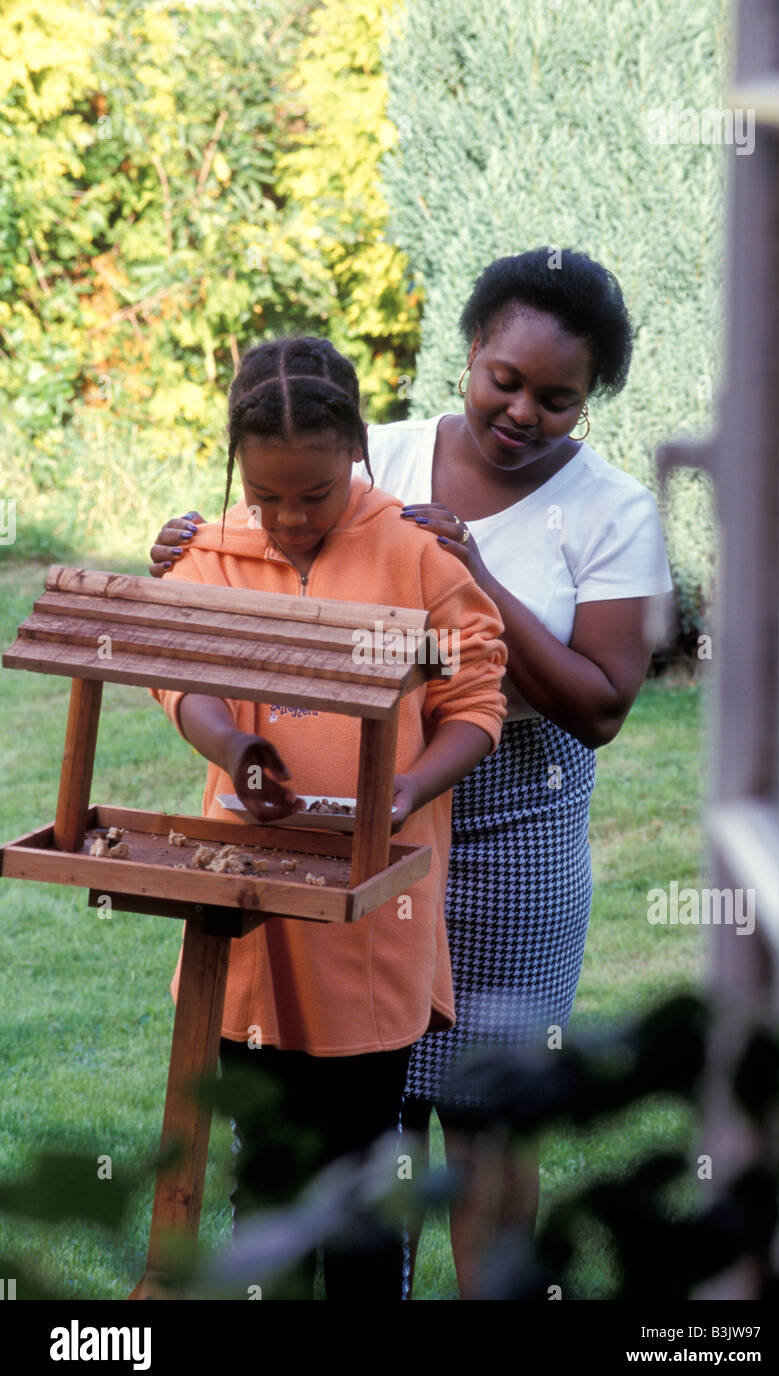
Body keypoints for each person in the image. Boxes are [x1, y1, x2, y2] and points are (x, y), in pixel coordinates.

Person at [148, 248, 673, 1297]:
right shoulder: (367, 456)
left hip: (509, 843)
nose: (522, 410)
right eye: (504, 380)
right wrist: (199, 548)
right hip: (354, 836)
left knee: (484, 1126)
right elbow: (279, 533)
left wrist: (472, 571)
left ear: (590, 400)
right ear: (470, 354)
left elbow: (601, 704)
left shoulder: (613, 514)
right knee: (360, 1121)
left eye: (556, 398)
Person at [148, 335, 507, 1301]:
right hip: (251, 920)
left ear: (357, 448)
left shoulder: (418, 554)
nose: (290, 520)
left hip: (371, 924)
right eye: (267, 497)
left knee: (360, 1178)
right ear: (237, 468)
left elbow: (476, 702)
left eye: (314, 495)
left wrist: (407, 788)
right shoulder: (210, 555)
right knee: (263, 1173)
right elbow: (176, 675)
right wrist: (235, 750)